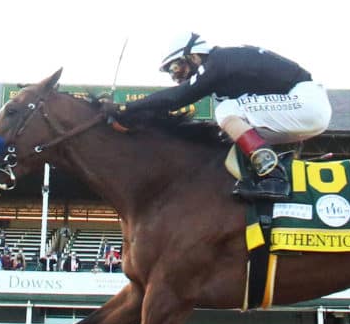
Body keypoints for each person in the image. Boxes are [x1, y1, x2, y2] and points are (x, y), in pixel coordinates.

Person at [110, 33, 332, 200]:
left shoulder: (217, 61)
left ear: (194, 56)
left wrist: (126, 108)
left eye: (176, 67)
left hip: (305, 103)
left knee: (226, 111)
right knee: (229, 134)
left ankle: (273, 174)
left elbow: (177, 97)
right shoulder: (222, 65)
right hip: (302, 108)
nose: (175, 76)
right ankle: (284, 172)